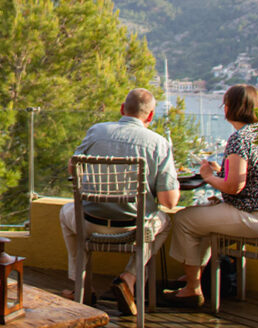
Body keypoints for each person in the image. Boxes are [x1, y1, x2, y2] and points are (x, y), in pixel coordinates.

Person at [165, 84, 258, 308]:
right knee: (202, 222)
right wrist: (221, 172)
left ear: (228, 108)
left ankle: (192, 289)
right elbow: (253, 176)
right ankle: (194, 277)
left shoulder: (240, 139)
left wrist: (207, 176)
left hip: (257, 217)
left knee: (185, 219)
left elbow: (234, 187)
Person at [59, 88, 180, 315]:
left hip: (90, 223)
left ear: (123, 109)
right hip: (133, 228)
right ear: (150, 116)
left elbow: (72, 167)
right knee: (164, 222)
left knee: (66, 213)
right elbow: (169, 201)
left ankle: (81, 286)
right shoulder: (158, 143)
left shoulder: (96, 131)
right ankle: (130, 276)